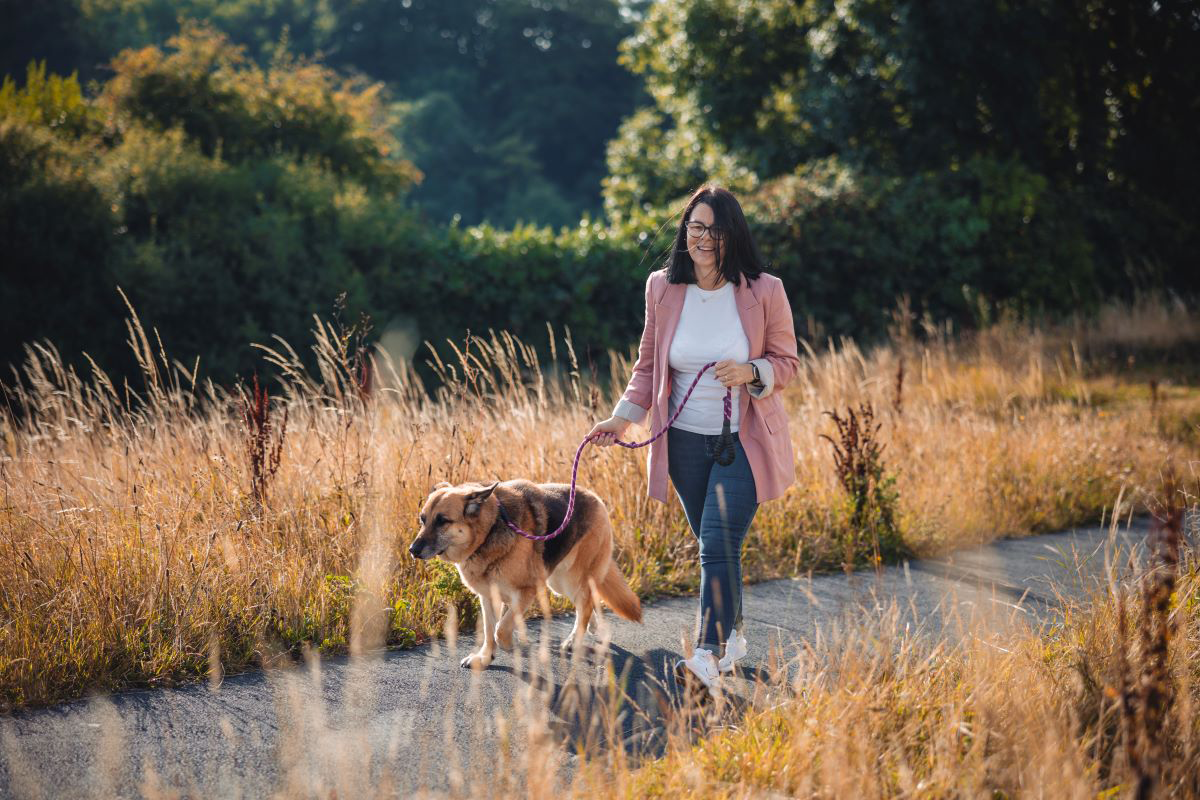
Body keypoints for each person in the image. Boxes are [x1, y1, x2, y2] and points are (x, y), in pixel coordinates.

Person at [588, 184, 801, 693]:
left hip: (743, 440)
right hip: (681, 441)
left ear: (733, 236)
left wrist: (751, 371)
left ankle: (706, 653)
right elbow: (647, 364)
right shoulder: (662, 287)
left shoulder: (764, 289)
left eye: (715, 229)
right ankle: (733, 636)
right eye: (695, 227)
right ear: (685, 231)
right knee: (715, 544)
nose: (703, 238)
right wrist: (621, 418)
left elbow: (787, 364)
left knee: (717, 543)